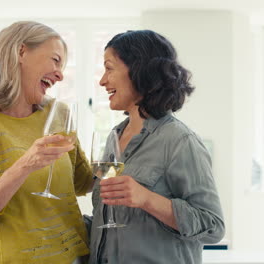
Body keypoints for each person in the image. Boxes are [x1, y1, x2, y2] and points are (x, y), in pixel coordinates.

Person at [0, 21, 93, 264]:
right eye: (56, 60)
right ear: (21, 52)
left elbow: (82, 182)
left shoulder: (58, 113)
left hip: (75, 259)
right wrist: (25, 165)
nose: (60, 74)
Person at [89, 30, 225, 264]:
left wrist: (146, 199)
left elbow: (213, 226)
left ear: (139, 71)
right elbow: (111, 226)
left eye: (109, 68)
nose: (102, 80)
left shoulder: (179, 141)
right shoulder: (115, 136)